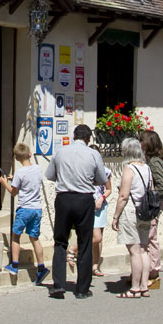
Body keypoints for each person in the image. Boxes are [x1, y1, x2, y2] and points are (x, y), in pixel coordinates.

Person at [44, 124, 108, 299]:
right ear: (88, 139)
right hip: (84, 199)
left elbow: (49, 175)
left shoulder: (60, 151)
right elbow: (102, 179)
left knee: (60, 241)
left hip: (64, 198)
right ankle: (82, 289)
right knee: (85, 242)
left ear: (74, 136)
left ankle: (58, 285)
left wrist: (65, 176)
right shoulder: (93, 154)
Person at [0, 142, 50, 285]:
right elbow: (28, 179)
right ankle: (41, 267)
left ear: (16, 158)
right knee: (34, 237)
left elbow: (14, 192)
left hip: (24, 208)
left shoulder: (20, 173)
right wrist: (13, 178)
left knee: (16, 236)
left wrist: (5, 183)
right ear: (29, 154)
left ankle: (14, 265)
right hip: (36, 209)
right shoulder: (38, 169)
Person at [111, 137, 153, 298]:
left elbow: (123, 195)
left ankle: (135, 288)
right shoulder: (147, 168)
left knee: (134, 251)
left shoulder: (129, 169)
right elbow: (152, 189)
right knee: (144, 250)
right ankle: (144, 285)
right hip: (145, 211)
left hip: (131, 210)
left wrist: (115, 216)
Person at [67, 144, 111, 277]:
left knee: (99, 238)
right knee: (96, 238)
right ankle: (73, 249)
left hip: (100, 206)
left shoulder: (106, 171)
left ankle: (95, 265)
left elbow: (109, 189)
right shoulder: (84, 171)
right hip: (88, 206)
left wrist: (102, 198)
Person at [139, 130, 163, 288]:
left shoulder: (155, 161)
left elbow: (162, 186)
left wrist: (151, 195)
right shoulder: (150, 159)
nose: (140, 143)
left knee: (151, 237)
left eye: (142, 141)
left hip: (154, 203)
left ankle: (154, 271)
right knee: (148, 236)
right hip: (152, 202)